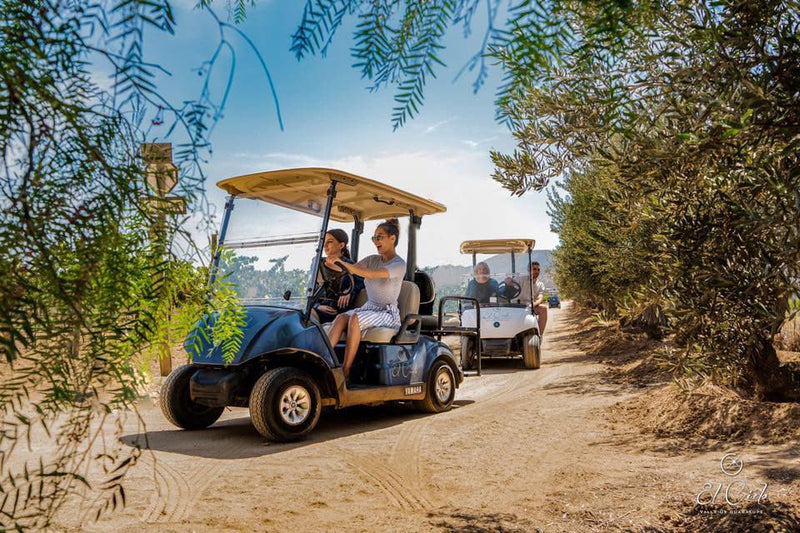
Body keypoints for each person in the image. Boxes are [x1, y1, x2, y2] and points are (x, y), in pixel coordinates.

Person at [326, 219, 406, 381]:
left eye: (380, 237)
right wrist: (330, 262)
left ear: (393, 238)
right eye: (374, 238)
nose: (376, 242)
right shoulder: (372, 259)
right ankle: (323, 361)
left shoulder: (399, 264)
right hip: (370, 307)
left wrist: (341, 261)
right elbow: (351, 269)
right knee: (341, 318)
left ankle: (346, 371)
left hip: (387, 312)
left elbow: (370, 274)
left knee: (354, 319)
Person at [312, 229, 364, 323]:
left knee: (304, 315)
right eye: (324, 242)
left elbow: (364, 282)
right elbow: (312, 289)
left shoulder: (351, 266)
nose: (325, 245)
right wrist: (317, 306)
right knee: (298, 312)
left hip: (337, 311)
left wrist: (349, 291)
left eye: (330, 242)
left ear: (341, 245)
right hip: (318, 308)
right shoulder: (317, 263)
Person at [508, 261, 548, 335]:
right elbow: (510, 284)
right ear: (529, 270)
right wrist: (509, 282)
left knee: (544, 309)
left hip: (530, 306)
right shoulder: (520, 279)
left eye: (538, 270)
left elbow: (540, 297)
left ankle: (539, 335)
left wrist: (533, 304)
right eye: (534, 269)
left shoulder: (540, 284)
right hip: (516, 306)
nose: (537, 271)